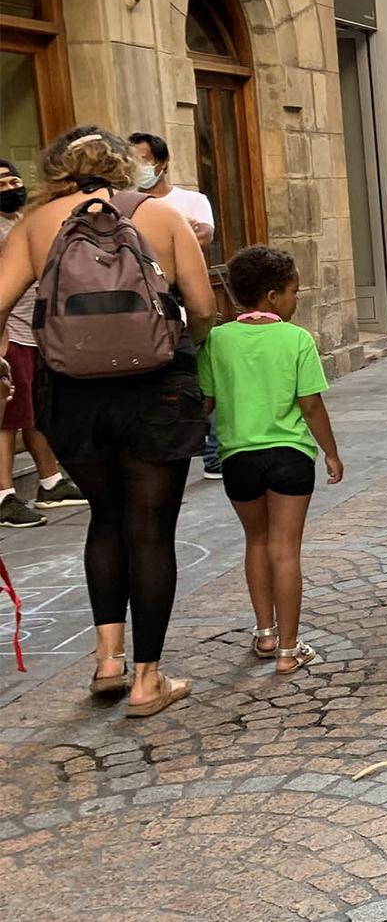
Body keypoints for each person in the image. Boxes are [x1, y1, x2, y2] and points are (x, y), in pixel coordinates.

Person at [0, 125, 217, 716]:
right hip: (156, 389)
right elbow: (202, 308)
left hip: (70, 393)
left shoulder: (37, 225)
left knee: (106, 518)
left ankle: (108, 659)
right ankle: (149, 681)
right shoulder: (162, 215)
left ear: (54, 169)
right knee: (150, 530)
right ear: (125, 167)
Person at [200, 245, 344, 673]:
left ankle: (264, 632)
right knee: (286, 550)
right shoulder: (296, 338)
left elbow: (206, 401)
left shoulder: (217, 340)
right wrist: (331, 453)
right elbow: (311, 405)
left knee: (257, 542)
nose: (296, 299)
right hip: (289, 456)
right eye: (293, 291)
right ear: (272, 297)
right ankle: (288, 648)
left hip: (238, 457)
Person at [130, 131, 227, 480]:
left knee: (203, 372)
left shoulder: (191, 200)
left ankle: (213, 453)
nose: (138, 168)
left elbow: (203, 236)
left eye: (143, 160)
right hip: (144, 311)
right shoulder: (125, 205)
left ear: (163, 163)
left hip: (184, 299)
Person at [0, 159, 86, 528]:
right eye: (0, 182)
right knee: (7, 418)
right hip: (11, 334)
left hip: (35, 332)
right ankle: (4, 495)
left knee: (34, 411)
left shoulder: (22, 222)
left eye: (13, 178)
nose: (9, 187)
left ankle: (49, 481)